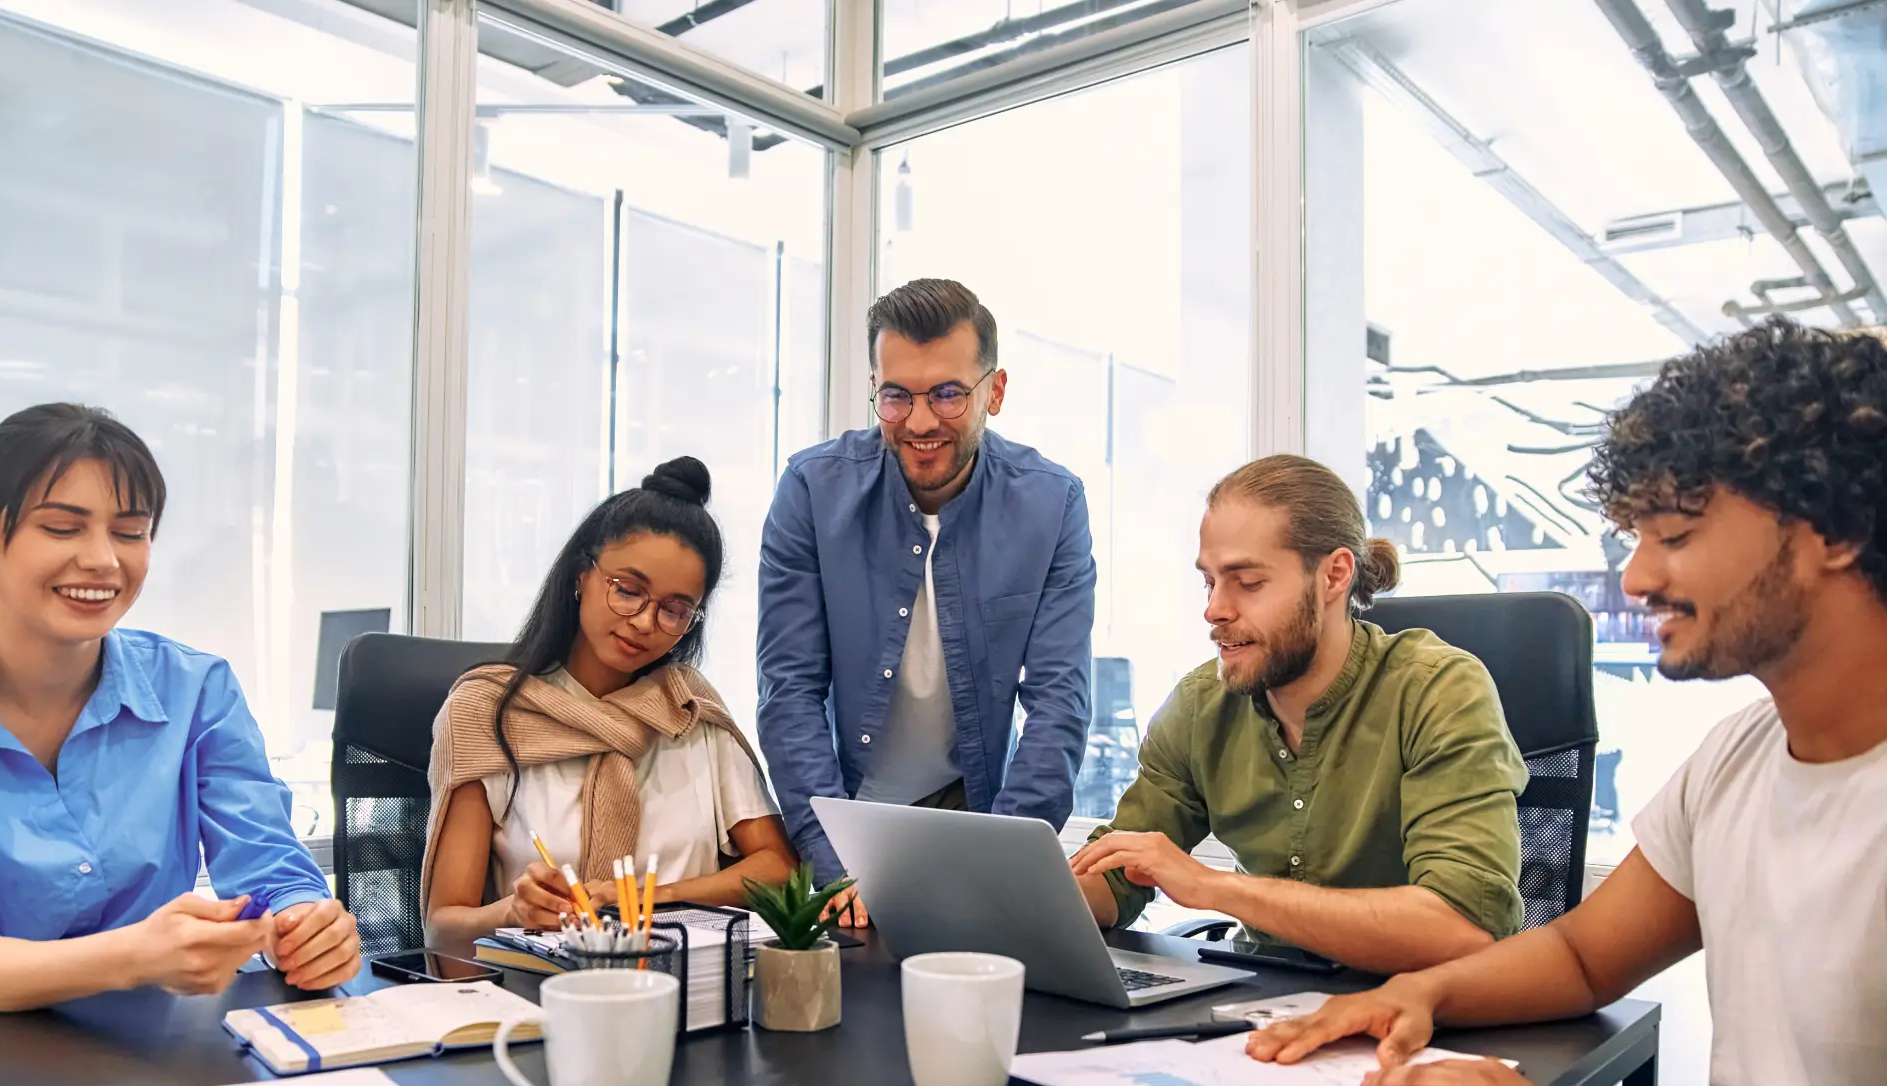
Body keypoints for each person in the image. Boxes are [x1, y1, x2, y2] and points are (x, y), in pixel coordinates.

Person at [1253, 318, 1887, 1086]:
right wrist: (1412, 991)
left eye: (1673, 535)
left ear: (1834, 531)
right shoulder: (1736, 756)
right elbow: (1587, 955)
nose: (1633, 578)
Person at [0, 404, 360, 1022]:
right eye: (62, 528)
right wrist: (133, 957)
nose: (104, 561)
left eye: (130, 532)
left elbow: (269, 869)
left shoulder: (197, 691)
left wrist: (305, 925)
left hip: (146, 1059)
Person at [1068, 456, 1527, 972]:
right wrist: (1037, 903)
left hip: (1425, 1015)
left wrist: (1215, 888)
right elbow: (1114, 876)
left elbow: (1460, 929)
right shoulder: (1200, 706)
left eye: (1248, 582)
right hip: (1263, 1007)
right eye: (1210, 582)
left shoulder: (1437, 691)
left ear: (1334, 575)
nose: (1215, 609)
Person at [758, 278, 1095, 920]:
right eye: (896, 395)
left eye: (947, 394)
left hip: (969, 808)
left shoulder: (1053, 504)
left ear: (993, 392)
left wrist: (1004, 859)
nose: (919, 421)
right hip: (842, 809)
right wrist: (837, 864)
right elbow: (789, 691)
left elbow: (1058, 700)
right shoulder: (811, 490)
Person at [424, 458, 796, 952]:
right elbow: (443, 927)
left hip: (689, 993)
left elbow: (779, 870)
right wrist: (512, 911)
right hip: (537, 999)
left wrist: (644, 897)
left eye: (674, 609)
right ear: (582, 576)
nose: (644, 622)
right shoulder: (488, 713)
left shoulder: (690, 710)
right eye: (628, 591)